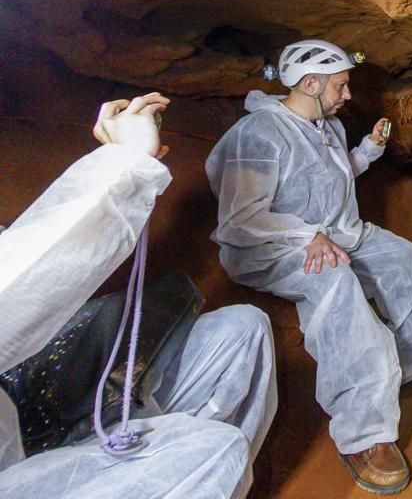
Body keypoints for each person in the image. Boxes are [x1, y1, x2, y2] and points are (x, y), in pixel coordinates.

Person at [205, 39, 412, 495]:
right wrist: (307, 235)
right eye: (340, 86)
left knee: (402, 258)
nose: (347, 95)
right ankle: (365, 435)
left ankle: (411, 365)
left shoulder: (327, 126)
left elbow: (333, 175)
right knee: (337, 285)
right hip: (274, 246)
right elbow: (241, 218)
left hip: (339, 233)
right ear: (309, 83)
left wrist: (370, 149)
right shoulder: (260, 133)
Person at [0, 93, 277, 499]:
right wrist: (127, 165)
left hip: (22, 427)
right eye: (340, 84)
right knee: (213, 452)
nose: (346, 95)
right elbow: (23, 283)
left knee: (243, 327)